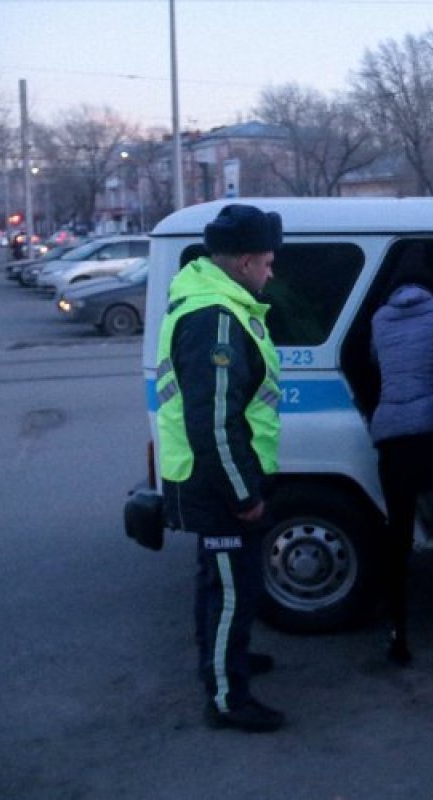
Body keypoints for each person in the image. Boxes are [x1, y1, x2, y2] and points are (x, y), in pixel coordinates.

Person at [156, 203, 285, 732]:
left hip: (210, 479)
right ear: (247, 261)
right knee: (232, 587)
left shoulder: (216, 302)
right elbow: (214, 424)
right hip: (217, 484)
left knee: (221, 581)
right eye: (268, 262)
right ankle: (228, 698)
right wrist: (243, 495)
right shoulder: (217, 318)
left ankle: (224, 657)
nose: (272, 272)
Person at [369, 242, 433, 667]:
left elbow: (375, 362)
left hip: (390, 433)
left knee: (397, 534)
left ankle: (397, 631)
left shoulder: (380, 318)